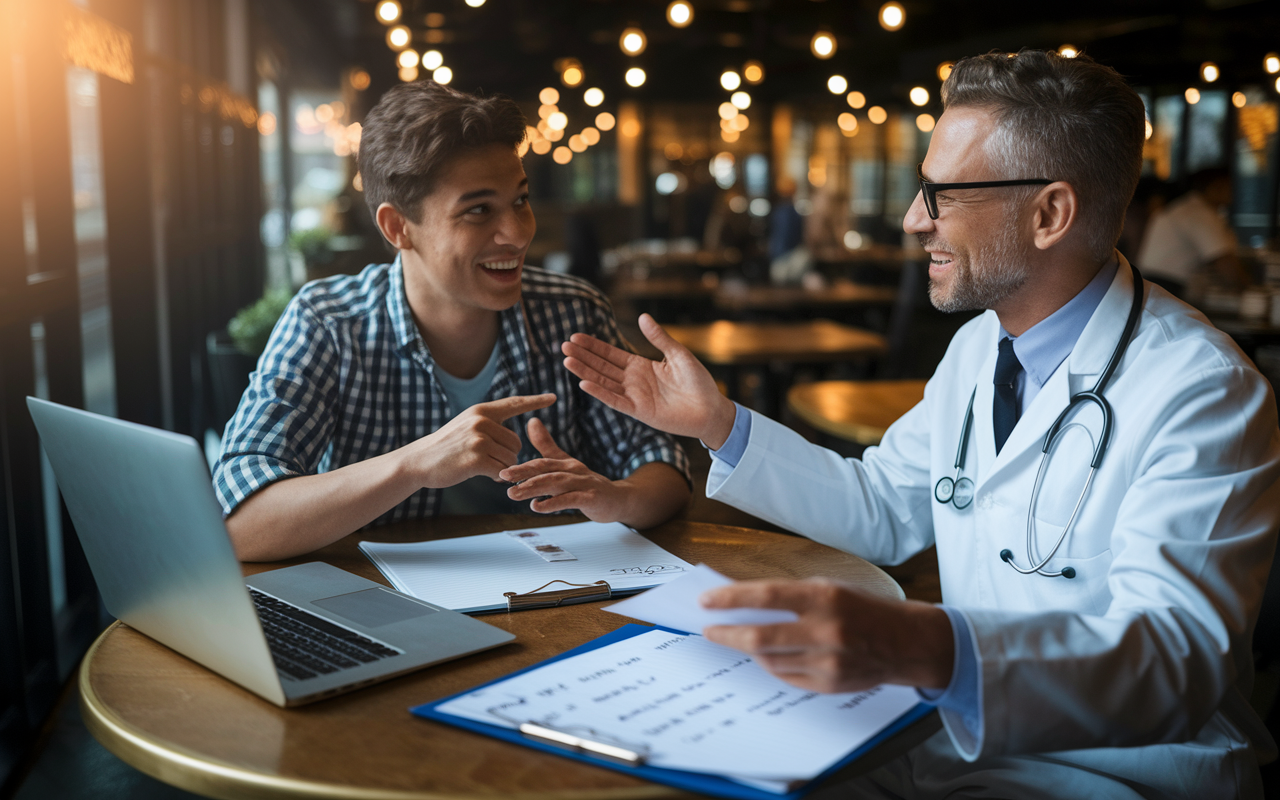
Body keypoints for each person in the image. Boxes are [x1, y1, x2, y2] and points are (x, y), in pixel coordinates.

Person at [562, 50, 1280, 797]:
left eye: (942, 194)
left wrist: (929, 646)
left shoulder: (1204, 390)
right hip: (949, 739)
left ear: (1049, 214)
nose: (913, 220)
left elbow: (1176, 661)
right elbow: (882, 507)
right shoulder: (980, 346)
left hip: (1122, 774)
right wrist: (719, 424)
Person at [215, 81, 690, 562]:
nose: (517, 234)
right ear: (398, 227)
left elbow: (661, 464)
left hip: (564, 595)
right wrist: (415, 465)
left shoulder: (572, 311)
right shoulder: (330, 323)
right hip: (387, 612)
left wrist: (617, 498)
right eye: (478, 210)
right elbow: (242, 522)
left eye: (520, 201)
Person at [1137, 167, 1250, 299]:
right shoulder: (1200, 213)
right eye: (1230, 186)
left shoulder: (1187, 207)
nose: (1234, 192)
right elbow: (1224, 261)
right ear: (1216, 186)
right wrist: (1248, 291)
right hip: (1164, 284)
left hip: (1149, 281)